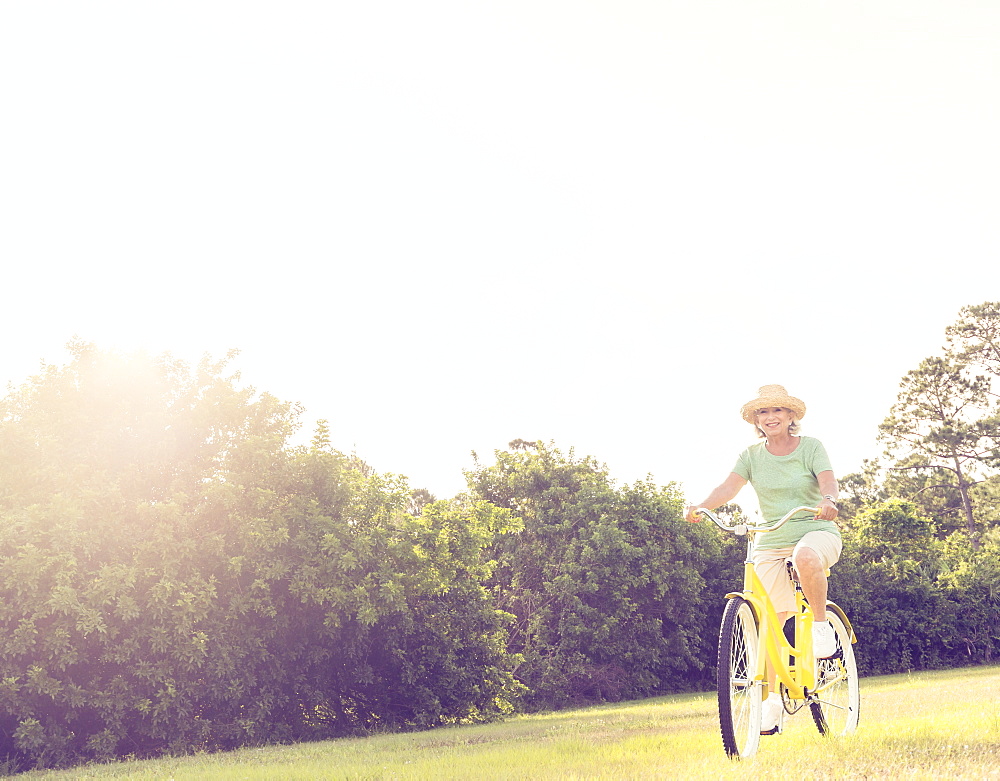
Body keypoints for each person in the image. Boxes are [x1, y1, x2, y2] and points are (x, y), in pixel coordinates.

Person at [685, 384, 841, 736]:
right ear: (757, 421)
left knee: (805, 555)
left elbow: (828, 480)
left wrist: (829, 500)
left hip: (815, 529)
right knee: (770, 623)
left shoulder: (811, 447)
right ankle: (772, 703)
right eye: (763, 413)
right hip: (771, 540)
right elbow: (729, 487)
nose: (770, 418)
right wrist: (702, 506)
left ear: (791, 417)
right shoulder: (751, 455)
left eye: (777, 411)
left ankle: (820, 628)